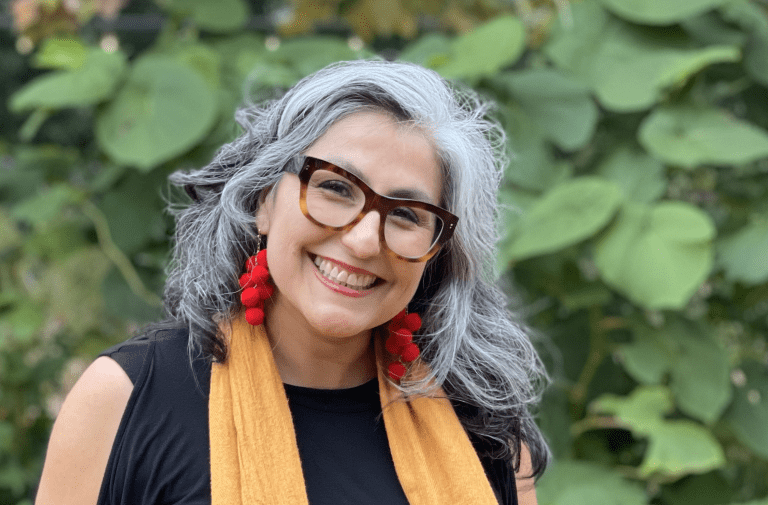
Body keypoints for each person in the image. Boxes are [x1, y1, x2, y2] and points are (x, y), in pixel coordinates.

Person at [35, 59, 549, 505]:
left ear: (436, 253)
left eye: (407, 214)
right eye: (336, 188)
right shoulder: (125, 400)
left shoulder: (482, 430)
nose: (364, 240)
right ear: (263, 200)